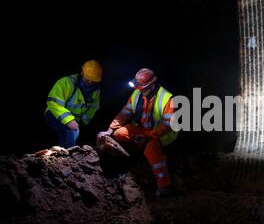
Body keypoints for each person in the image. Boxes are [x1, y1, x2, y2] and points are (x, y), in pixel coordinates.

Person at [98, 68, 178, 197]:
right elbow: (125, 113)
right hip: (142, 129)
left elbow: (168, 124)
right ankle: (132, 159)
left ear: (151, 85)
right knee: (119, 133)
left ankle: (165, 186)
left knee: (151, 151)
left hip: (160, 133)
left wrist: (147, 137)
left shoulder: (167, 98)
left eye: (141, 87)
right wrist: (109, 129)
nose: (138, 89)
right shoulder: (137, 93)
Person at [45, 60, 102, 148]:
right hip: (54, 114)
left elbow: (93, 109)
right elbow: (53, 103)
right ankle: (65, 157)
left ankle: (62, 151)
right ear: (82, 72)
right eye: (87, 79)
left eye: (93, 81)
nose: (90, 82)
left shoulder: (96, 91)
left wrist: (82, 122)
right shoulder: (66, 82)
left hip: (75, 121)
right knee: (71, 132)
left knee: (76, 132)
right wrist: (69, 120)